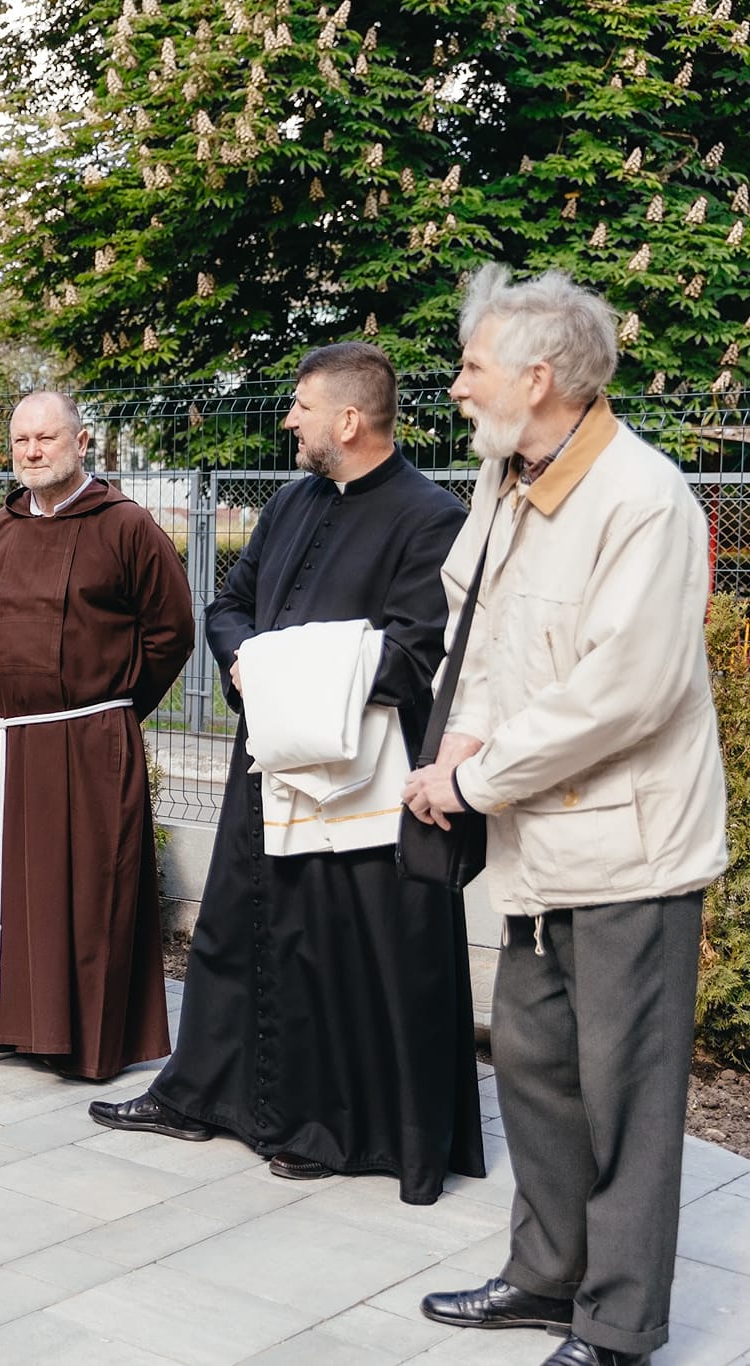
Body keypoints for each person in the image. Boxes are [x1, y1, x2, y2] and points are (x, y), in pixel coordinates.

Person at [406, 267, 726, 1366]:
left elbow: (622, 693)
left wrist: (473, 777)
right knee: (536, 1071)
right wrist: (456, 740)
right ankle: (544, 1279)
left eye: (472, 367)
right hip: (537, 843)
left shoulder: (644, 499)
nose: (455, 386)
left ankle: (619, 1326)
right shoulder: (509, 479)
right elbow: (478, 630)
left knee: (627, 1103)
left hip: (628, 851)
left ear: (537, 378)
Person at [89, 343, 485, 1204]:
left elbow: (417, 655)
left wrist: (278, 668)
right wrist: (247, 664)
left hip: (358, 783)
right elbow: (229, 606)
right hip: (266, 761)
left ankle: (326, 1124)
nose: (290, 420)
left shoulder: (430, 519)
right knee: (235, 931)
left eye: (303, 406)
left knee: (325, 948)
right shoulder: (290, 502)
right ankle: (201, 1097)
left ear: (349, 418)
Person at [0, 391, 193, 1079]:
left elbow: (172, 631)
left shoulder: (126, 527)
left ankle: (81, 1038)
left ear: (82, 442)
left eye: (46, 438)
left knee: (89, 894)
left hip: (88, 740)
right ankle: (4, 1020)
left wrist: (112, 710)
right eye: (22, 439)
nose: (32, 450)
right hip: (6, 736)